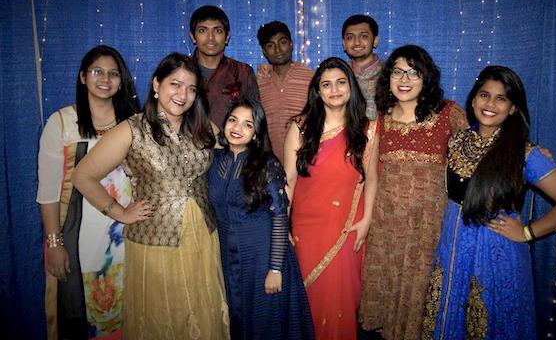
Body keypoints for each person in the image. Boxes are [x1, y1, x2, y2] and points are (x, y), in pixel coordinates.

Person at [421, 66, 556, 339]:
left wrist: (527, 233)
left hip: (494, 250)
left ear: (512, 109)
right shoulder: (457, 140)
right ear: (473, 99)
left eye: (501, 98)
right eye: (485, 95)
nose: (490, 104)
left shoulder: (524, 153)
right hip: (451, 242)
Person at [72, 53, 229, 339]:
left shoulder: (203, 127)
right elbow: (82, 176)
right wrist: (119, 212)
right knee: (162, 316)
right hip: (155, 240)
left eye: (191, 88)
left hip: (203, 236)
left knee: (203, 310)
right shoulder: (132, 129)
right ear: (157, 84)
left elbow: (236, 152)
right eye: (175, 84)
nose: (183, 95)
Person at [359, 45, 468, 340]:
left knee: (421, 295)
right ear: (388, 77)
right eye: (397, 71)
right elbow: (370, 172)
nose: (404, 79)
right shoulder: (382, 116)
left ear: (426, 78)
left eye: (413, 72)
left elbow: (479, 149)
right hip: (387, 224)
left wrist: (523, 153)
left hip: (428, 227)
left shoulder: (449, 113)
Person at [37, 45, 140, 340]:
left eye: (113, 73)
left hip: (128, 234)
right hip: (78, 236)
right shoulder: (63, 123)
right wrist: (54, 243)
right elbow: (48, 192)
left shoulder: (133, 122)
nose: (105, 79)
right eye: (97, 72)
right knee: (84, 311)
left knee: (132, 307)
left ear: (122, 81)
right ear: (83, 77)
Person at [283, 57, 379, 340]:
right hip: (305, 227)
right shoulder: (300, 127)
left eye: (341, 82)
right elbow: (288, 179)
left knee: (339, 301)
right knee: (307, 298)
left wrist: (366, 220)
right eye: (326, 84)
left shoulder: (368, 130)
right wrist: (283, 224)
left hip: (346, 227)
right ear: (317, 91)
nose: (334, 89)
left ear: (351, 86)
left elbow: (371, 178)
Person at [208, 98, 315, 340]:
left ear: (256, 133)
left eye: (248, 124)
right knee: (237, 316)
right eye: (233, 120)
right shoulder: (213, 161)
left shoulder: (267, 164)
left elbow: (279, 216)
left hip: (262, 254)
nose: (237, 128)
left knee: (266, 321)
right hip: (227, 255)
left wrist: (275, 268)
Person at [189, 5, 259, 125]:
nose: (210, 37)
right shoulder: (181, 72)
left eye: (218, 31)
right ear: (193, 37)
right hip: (186, 142)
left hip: (230, 142)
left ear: (227, 37)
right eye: (203, 30)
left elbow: (256, 119)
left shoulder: (242, 73)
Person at [256, 21, 314, 161]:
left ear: (291, 44)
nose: (278, 50)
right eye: (271, 45)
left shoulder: (311, 78)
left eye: (282, 42)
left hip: (306, 162)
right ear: (264, 51)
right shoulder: (258, 83)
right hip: (269, 165)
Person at [342, 14, 384, 120]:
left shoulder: (390, 73)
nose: (356, 42)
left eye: (363, 36)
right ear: (344, 44)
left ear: (375, 41)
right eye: (350, 37)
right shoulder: (338, 74)